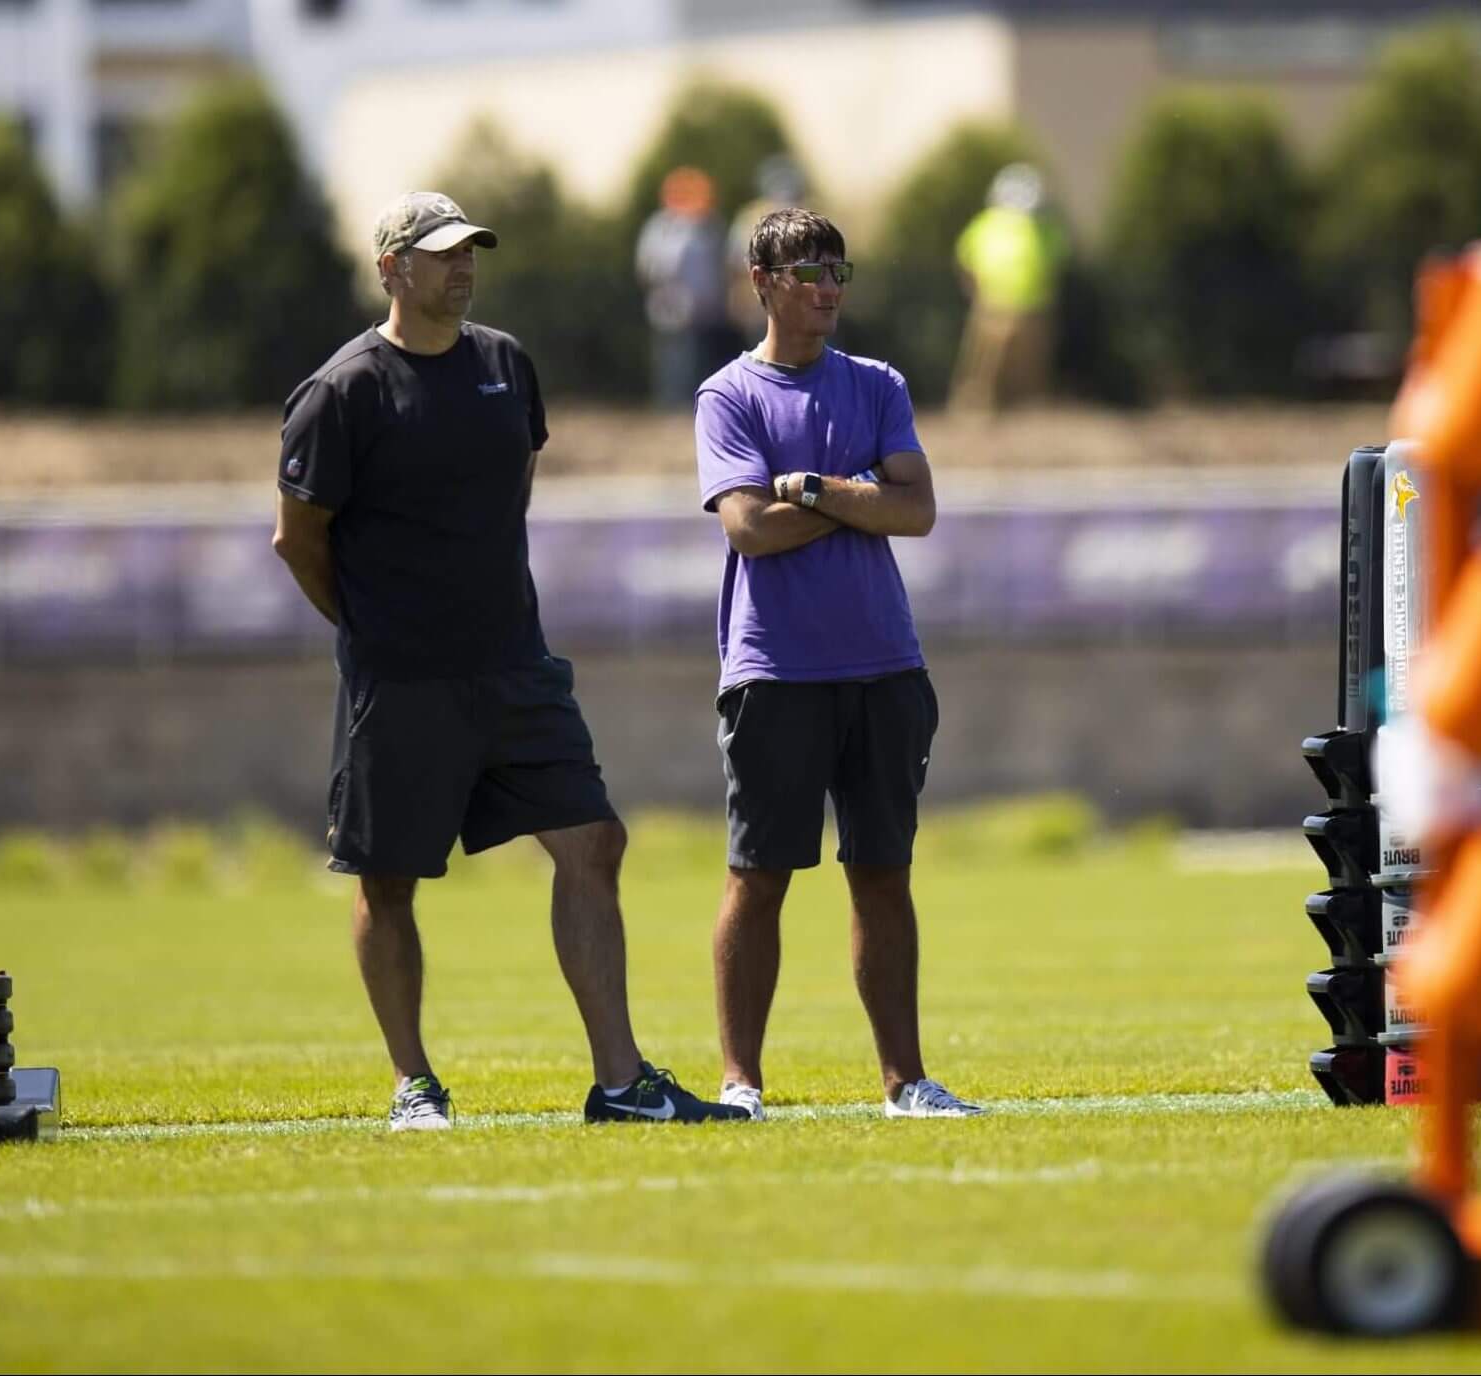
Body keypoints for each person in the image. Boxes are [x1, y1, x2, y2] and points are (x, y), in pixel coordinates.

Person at [273, 191, 747, 1131]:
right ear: (392, 270)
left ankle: (619, 1084)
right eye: (442, 252)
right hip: (401, 681)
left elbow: (512, 491)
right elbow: (299, 541)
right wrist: (369, 626)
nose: (463, 265)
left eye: (470, 251)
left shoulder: (505, 365)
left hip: (514, 666)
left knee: (593, 841)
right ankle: (415, 1084)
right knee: (389, 879)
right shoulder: (344, 391)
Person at [695, 206, 982, 1122]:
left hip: (884, 666)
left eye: (837, 271)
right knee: (759, 876)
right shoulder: (728, 397)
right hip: (775, 672)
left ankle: (907, 1082)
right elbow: (749, 529)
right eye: (808, 271)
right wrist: (863, 496)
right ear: (762, 282)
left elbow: (919, 510)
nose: (826, 288)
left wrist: (816, 489)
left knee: (883, 873)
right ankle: (741, 1082)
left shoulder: (878, 384)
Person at [951, 163, 1066, 413]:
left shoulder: (1041, 227)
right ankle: (977, 407)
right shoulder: (988, 224)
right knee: (986, 366)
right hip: (996, 305)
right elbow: (966, 259)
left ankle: (1021, 409)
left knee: (1025, 367)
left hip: (1028, 307)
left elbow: (964, 260)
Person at [635, 166, 729, 411]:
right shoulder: (661, 226)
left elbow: (719, 267)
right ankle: (672, 405)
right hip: (670, 305)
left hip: (705, 307)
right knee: (674, 356)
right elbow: (648, 266)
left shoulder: (710, 227)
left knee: (701, 357)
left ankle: (697, 404)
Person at [724, 154, 808, 342]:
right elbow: (737, 266)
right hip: (762, 310)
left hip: (807, 308)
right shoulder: (751, 218)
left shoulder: (812, 216)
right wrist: (738, 302)